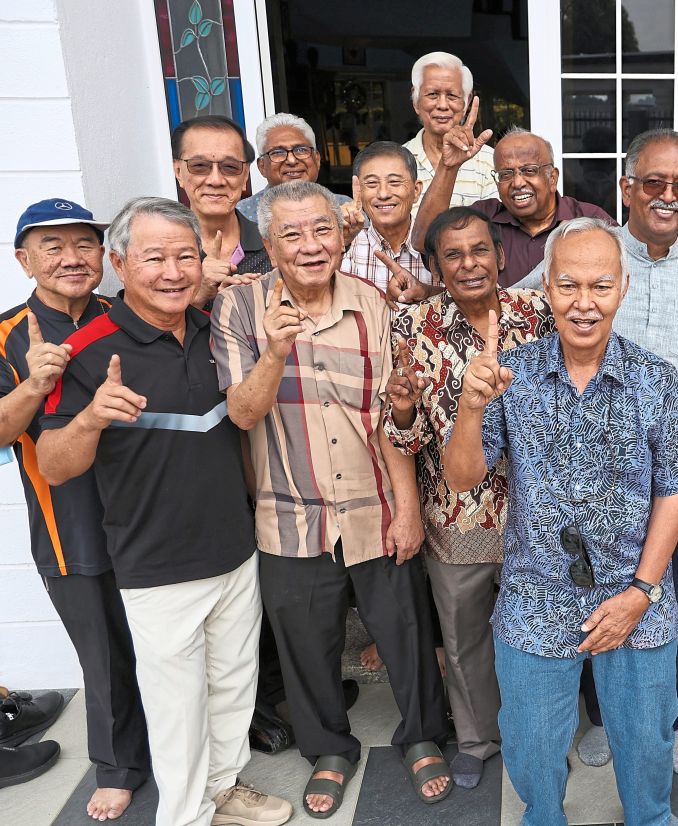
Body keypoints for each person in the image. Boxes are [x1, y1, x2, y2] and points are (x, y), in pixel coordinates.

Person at [442, 216, 678, 826]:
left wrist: (640, 594)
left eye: (600, 286)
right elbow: (462, 478)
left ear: (623, 290)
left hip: (634, 595)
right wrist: (470, 407)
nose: (583, 303)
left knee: (647, 743)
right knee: (532, 745)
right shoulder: (513, 374)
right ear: (547, 290)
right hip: (536, 595)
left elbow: (674, 490)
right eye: (568, 286)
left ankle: (650, 819)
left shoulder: (655, 379)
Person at [38, 196, 291, 826]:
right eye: (155, 258)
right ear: (120, 264)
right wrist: (94, 416)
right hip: (155, 563)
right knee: (178, 709)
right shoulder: (89, 349)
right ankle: (184, 815)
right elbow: (53, 464)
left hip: (234, 547)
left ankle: (225, 789)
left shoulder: (217, 331)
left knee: (234, 687)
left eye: (185, 256)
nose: (173, 271)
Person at [211, 180, 451, 816]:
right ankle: (329, 749)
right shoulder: (240, 309)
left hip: (374, 503)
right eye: (291, 234)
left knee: (405, 628)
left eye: (322, 230)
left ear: (342, 234)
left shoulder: (372, 304)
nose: (310, 246)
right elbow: (242, 412)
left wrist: (407, 509)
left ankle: (423, 733)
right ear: (268, 244)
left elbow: (392, 419)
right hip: (289, 511)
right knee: (306, 641)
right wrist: (275, 350)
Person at [385, 206, 555, 789]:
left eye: (480, 250)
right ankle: (479, 738)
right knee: (463, 636)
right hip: (455, 515)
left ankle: (538, 730)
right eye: (452, 256)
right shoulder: (411, 327)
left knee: (540, 631)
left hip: (540, 514)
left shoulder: (543, 316)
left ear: (501, 256)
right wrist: (404, 410)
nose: (469, 264)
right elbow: (402, 434)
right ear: (435, 267)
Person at [1, 198, 150, 821]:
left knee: (163, 638)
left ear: (105, 256)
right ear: (23, 259)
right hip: (71, 521)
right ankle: (118, 765)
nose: (71, 258)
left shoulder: (130, 314)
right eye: (53, 246)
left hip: (149, 507)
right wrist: (33, 385)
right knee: (102, 646)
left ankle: (184, 742)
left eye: (84, 244)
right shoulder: (7, 334)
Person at [408, 123, 611, 288]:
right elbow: (423, 241)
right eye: (506, 174)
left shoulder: (589, 221)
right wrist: (448, 167)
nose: (517, 183)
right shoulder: (482, 219)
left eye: (529, 170)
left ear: (552, 177)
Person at [170, 116, 271, 305]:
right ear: (178, 172)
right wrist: (200, 295)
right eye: (199, 166)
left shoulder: (272, 245)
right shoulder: (162, 254)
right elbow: (151, 330)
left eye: (230, 167)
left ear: (245, 175)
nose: (215, 180)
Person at [236, 113, 361, 244]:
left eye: (301, 150)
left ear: (317, 159)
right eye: (278, 152)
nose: (291, 160)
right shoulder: (242, 214)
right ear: (262, 166)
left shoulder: (345, 208)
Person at [402, 52, 498, 217]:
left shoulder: (490, 162)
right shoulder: (399, 162)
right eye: (432, 94)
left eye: (452, 95)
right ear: (416, 101)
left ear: (466, 102)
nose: (442, 105)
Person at [340, 141, 434, 298]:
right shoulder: (347, 246)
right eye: (371, 183)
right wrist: (340, 243)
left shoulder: (436, 245)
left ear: (416, 190)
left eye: (394, 182)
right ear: (358, 191)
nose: (383, 194)